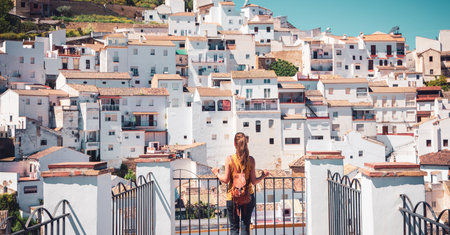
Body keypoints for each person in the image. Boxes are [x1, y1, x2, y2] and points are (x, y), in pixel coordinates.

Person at [211, 132, 269, 235]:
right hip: (248, 197)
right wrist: (263, 175)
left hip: (232, 197)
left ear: (234, 144)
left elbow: (225, 180)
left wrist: (216, 173)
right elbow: (254, 181)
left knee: (234, 228)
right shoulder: (251, 160)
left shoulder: (229, 159)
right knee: (245, 226)